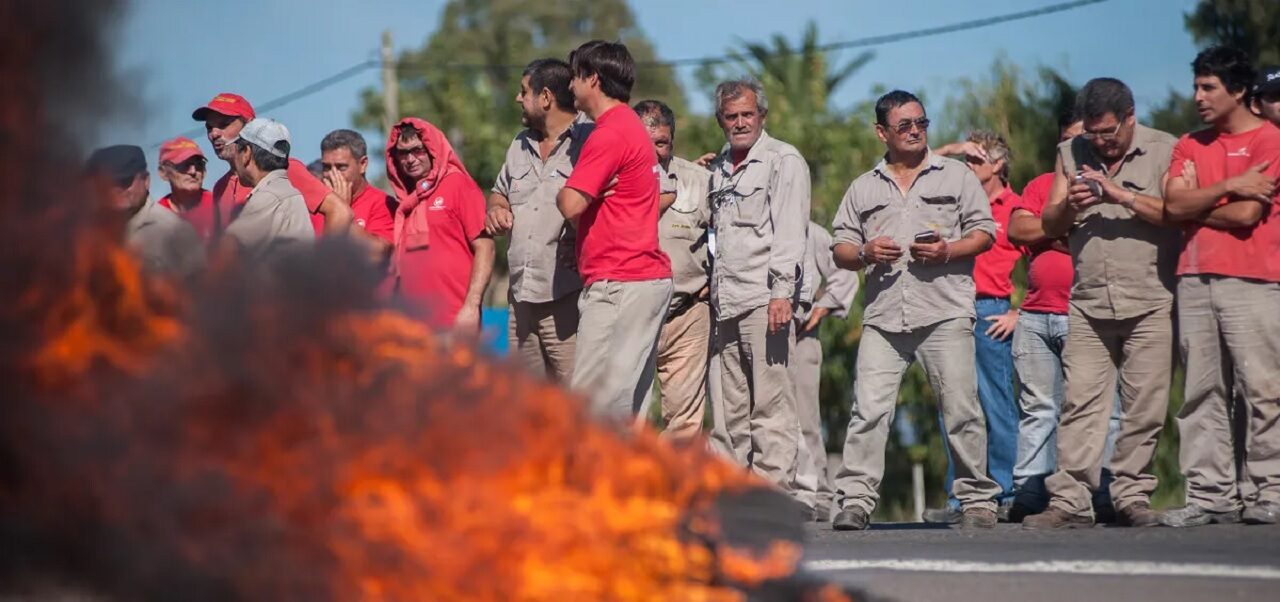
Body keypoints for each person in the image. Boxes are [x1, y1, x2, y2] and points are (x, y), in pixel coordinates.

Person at [829, 90, 1000, 531]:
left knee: (962, 408)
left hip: (944, 311)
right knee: (868, 412)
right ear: (882, 132)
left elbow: (984, 233)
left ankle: (978, 500)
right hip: (885, 317)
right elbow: (840, 248)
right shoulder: (863, 187)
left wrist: (947, 250)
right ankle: (855, 501)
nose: (915, 131)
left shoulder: (957, 176)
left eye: (921, 122)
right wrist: (865, 252)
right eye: (904, 125)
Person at [1023, 78, 1180, 530]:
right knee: (1080, 403)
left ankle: (1131, 496)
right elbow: (1048, 221)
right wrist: (1068, 207)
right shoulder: (1071, 153)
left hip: (1150, 297)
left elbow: (1175, 212)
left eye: (1108, 133)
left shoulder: (1165, 148)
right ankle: (1070, 501)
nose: (1100, 143)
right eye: (1092, 134)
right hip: (1089, 302)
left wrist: (1121, 194)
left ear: (1130, 116)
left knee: (1143, 407)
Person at [1160, 47, 1280, 527]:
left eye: (1209, 88)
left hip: (1253, 280)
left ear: (1239, 91)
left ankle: (1269, 490)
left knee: (1262, 388)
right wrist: (1226, 189)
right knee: (1201, 391)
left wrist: (1193, 203)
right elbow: (1171, 206)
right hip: (1193, 279)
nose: (1198, 97)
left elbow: (1248, 214)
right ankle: (1211, 496)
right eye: (1196, 87)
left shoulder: (1270, 140)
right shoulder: (1189, 143)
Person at [1006, 111, 1123, 523]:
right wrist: (1057, 226)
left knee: (1099, 408)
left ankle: (1106, 491)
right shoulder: (1043, 184)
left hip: (1086, 313)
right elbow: (1017, 229)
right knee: (1039, 408)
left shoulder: (1111, 183)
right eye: (1069, 141)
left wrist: (1055, 226)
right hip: (1037, 315)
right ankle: (1030, 489)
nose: (1077, 148)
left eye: (1085, 139)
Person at [555, 40, 673, 419]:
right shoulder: (630, 128)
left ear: (593, 78)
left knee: (593, 408)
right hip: (638, 280)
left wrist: (573, 193)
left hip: (621, 282)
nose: (570, 86)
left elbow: (570, 204)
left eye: (575, 77)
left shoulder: (608, 134)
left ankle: (589, 480)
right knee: (624, 410)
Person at [704, 77, 810, 491]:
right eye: (732, 116)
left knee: (771, 405)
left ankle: (772, 492)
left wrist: (782, 293)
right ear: (720, 120)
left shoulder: (784, 160)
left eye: (748, 114)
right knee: (730, 411)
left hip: (764, 300)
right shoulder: (717, 168)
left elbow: (789, 233)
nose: (740, 122)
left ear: (762, 115)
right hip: (725, 302)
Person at [923, 130, 1023, 523]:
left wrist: (1020, 311)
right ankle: (961, 497)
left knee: (996, 405)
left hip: (990, 311)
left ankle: (1005, 491)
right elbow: (914, 164)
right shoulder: (954, 202)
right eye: (965, 160)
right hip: (949, 308)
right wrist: (950, 150)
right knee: (954, 407)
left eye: (976, 161)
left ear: (998, 165)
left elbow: (1047, 261)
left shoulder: (1014, 207)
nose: (967, 167)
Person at [486, 58, 590, 383]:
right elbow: (499, 192)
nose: (518, 98)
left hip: (567, 297)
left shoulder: (590, 140)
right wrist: (496, 209)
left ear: (545, 97)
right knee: (529, 406)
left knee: (576, 404)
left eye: (523, 91)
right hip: (520, 299)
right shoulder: (519, 144)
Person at [634, 99, 712, 440]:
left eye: (662, 143)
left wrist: (715, 282)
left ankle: (675, 493)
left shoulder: (699, 180)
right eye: (644, 141)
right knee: (626, 417)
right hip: (631, 313)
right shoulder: (613, 179)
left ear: (673, 141)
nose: (654, 151)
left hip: (688, 315)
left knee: (684, 424)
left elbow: (725, 236)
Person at [385, 117, 494, 333]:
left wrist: (471, 307)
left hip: (455, 323)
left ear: (432, 149)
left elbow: (486, 247)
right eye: (403, 153)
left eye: (417, 150)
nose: (410, 159)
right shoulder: (405, 203)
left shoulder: (457, 184)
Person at [192, 93, 352, 239]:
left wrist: (322, 265)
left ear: (250, 126)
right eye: (209, 127)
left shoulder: (284, 169)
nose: (214, 134)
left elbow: (339, 212)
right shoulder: (220, 187)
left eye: (224, 124)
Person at [792, 222, 859, 521]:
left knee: (805, 417)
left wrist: (821, 309)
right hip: (754, 335)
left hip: (800, 335)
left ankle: (819, 492)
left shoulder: (809, 231)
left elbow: (845, 274)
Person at [86, 144, 204, 279]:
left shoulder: (175, 231)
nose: (117, 189)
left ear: (146, 180)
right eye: (109, 184)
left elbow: (200, 290)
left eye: (125, 181)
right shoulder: (92, 232)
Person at [219, 119, 315, 265]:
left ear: (246, 153)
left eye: (237, 148)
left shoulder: (268, 196)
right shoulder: (285, 191)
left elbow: (227, 252)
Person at [320, 129, 396, 256]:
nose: (332, 174)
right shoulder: (316, 205)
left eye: (341, 167)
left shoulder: (383, 204)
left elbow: (377, 255)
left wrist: (341, 212)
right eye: (326, 167)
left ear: (363, 164)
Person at [155, 137, 221, 245]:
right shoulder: (156, 218)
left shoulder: (219, 205)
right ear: (164, 173)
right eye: (184, 165)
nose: (193, 171)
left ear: (204, 171)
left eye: (199, 165)